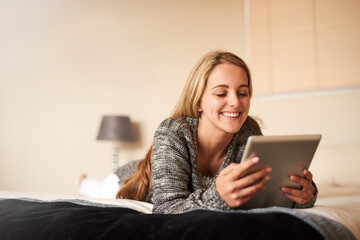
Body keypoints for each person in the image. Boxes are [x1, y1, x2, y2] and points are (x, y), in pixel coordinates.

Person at [117, 50, 317, 214]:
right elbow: (166, 208)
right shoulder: (173, 132)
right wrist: (217, 197)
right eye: (221, 93)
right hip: (132, 179)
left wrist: (303, 196)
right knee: (99, 185)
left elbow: (262, 195)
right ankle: (84, 180)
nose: (235, 102)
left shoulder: (248, 131)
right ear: (198, 102)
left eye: (243, 93)